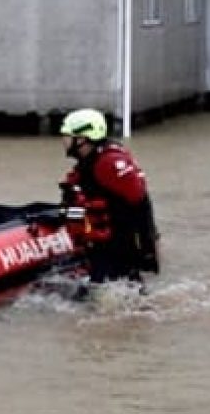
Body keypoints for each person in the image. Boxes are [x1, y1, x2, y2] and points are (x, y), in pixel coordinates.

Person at [58, 109, 160, 288]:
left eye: (67, 136)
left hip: (116, 250)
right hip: (99, 247)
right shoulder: (90, 162)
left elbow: (141, 204)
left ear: (82, 139)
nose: (63, 141)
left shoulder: (107, 164)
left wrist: (147, 251)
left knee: (107, 300)